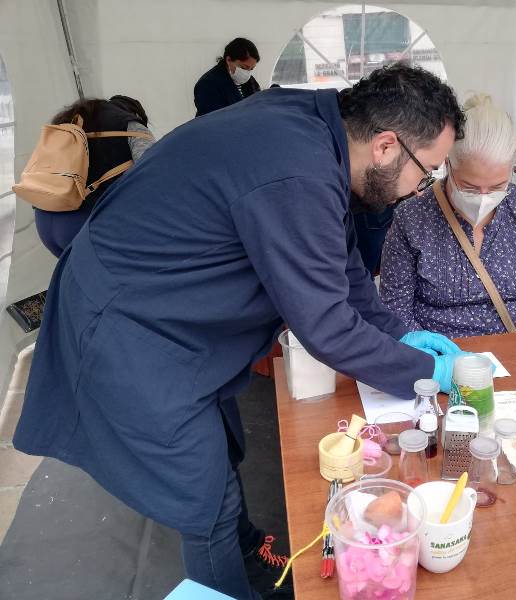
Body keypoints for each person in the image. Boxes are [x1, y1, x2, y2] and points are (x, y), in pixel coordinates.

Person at [14, 64, 468, 600]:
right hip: (130, 332)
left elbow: (341, 268)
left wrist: (397, 334)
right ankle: (228, 585)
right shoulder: (297, 171)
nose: (422, 190)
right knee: (203, 499)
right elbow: (327, 327)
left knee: (224, 453)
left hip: (165, 312)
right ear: (387, 145)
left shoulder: (318, 130)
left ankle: (249, 557)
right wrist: (425, 372)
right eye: (428, 172)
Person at [380, 94, 516, 336]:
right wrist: (433, 357)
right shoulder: (412, 217)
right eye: (470, 187)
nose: (483, 197)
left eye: (498, 186)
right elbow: (395, 308)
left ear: (511, 169)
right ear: (448, 164)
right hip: (436, 357)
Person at [34, 95, 155, 257]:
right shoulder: (131, 124)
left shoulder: (71, 118)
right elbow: (155, 178)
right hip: (84, 226)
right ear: (137, 114)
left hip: (45, 221)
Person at [194, 37, 261, 117]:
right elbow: (211, 120)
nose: (247, 73)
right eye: (243, 68)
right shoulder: (208, 84)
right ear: (228, 60)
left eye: (251, 69)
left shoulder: (251, 81)